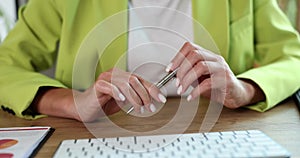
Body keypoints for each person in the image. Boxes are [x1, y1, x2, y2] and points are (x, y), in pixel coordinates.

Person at [0, 0, 300, 122]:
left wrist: (245, 89)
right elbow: (4, 66)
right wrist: (72, 102)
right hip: (99, 137)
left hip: (220, 133)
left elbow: (293, 57)